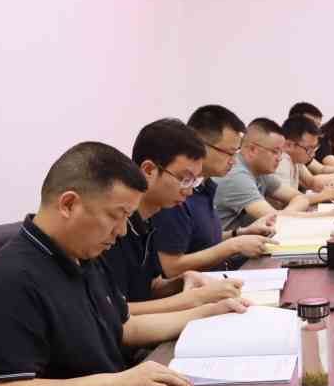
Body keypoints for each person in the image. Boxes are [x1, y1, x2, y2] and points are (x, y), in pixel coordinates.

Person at [0, 142, 247, 386]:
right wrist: (117, 383)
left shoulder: (83, 255)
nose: (121, 232)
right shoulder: (12, 278)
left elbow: (122, 327)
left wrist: (207, 312)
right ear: (69, 204)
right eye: (116, 216)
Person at [100, 118, 245, 314]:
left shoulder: (148, 219)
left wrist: (182, 280)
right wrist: (195, 299)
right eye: (184, 179)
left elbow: (150, 287)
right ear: (149, 170)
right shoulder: (112, 229)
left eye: (194, 181)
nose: (189, 191)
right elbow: (114, 313)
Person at [152, 105, 275, 277]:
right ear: (200, 145)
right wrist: (233, 246)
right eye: (229, 153)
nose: (234, 161)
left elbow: (201, 242)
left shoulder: (205, 185)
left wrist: (239, 233)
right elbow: (170, 267)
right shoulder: (176, 193)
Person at [213, 118, 315, 232]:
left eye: (281, 152)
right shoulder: (237, 176)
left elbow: (300, 197)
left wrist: (285, 214)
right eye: (275, 151)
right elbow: (276, 220)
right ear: (252, 150)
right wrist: (328, 215)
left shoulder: (259, 170)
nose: (279, 158)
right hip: (230, 242)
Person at [272, 114, 334, 201]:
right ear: (289, 145)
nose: (313, 155)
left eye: (314, 148)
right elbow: (290, 200)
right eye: (309, 149)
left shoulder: (295, 159)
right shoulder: (281, 161)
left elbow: (312, 182)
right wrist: (326, 195)